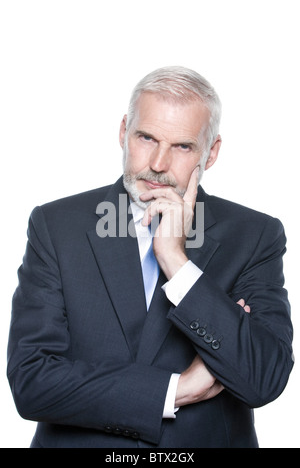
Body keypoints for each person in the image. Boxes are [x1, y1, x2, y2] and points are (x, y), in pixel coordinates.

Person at [7, 66, 293, 448]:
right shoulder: (56, 226)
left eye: (182, 146)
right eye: (146, 137)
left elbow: (263, 380)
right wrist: (176, 390)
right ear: (124, 131)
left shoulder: (254, 235)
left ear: (211, 153)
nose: (158, 164)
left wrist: (176, 260)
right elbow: (32, 383)